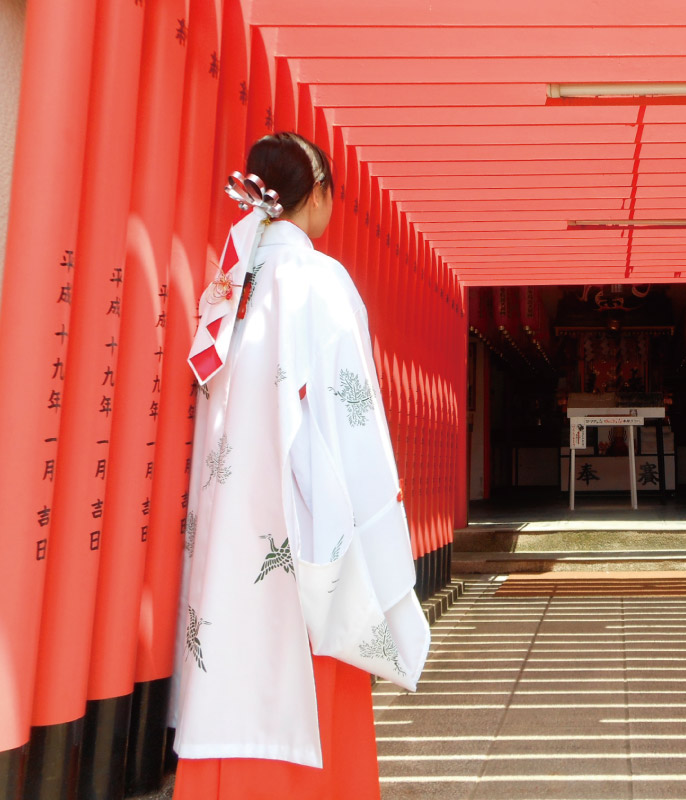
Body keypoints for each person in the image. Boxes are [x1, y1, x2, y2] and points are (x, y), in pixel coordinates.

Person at [172, 132, 430, 799]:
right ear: (318, 195)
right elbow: (352, 414)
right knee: (309, 672)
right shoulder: (320, 280)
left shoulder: (230, 285)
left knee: (232, 669)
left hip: (233, 528)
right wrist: (376, 518)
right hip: (301, 526)